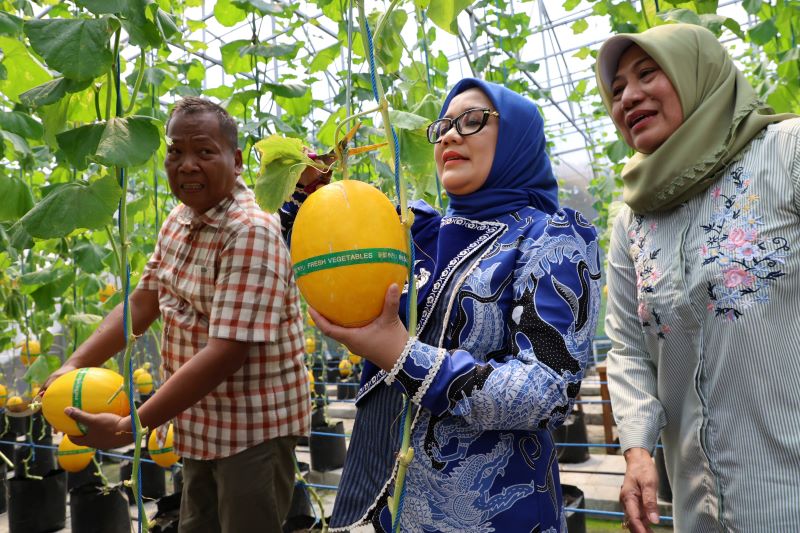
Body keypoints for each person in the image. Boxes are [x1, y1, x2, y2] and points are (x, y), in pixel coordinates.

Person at [284, 78, 601, 531]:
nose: (450, 134)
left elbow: (547, 391)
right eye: (443, 125)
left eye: (472, 120)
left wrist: (402, 355)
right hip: (385, 499)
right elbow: (333, 262)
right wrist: (305, 194)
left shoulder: (551, 235)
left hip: (491, 513)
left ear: (517, 137)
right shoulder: (414, 229)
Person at [43, 97, 310, 533]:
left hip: (252, 428)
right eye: (175, 151)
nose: (187, 165)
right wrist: (75, 364)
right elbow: (142, 302)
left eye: (204, 151)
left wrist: (130, 426)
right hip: (199, 419)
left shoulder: (250, 231)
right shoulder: (180, 218)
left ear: (236, 161)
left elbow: (226, 352)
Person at [596, 23, 800, 533]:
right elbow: (628, 349)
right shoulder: (632, 222)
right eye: (616, 89)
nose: (628, 97)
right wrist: (637, 451)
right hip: (698, 509)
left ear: (697, 73)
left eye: (648, 73)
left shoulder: (787, 153)